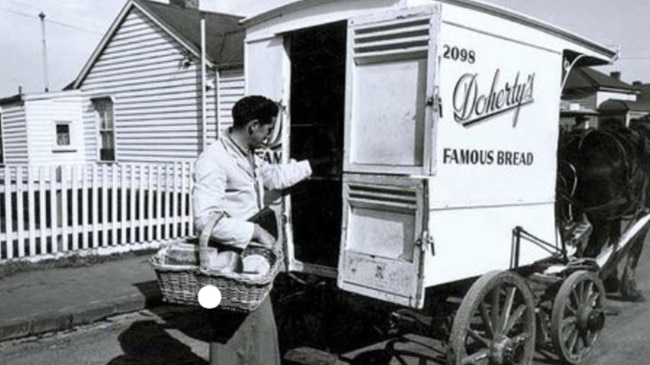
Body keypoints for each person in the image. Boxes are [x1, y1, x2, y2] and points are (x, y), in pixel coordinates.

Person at [192, 95, 313, 365]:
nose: (269, 137)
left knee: (256, 333)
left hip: (251, 262)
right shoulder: (213, 160)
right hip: (229, 261)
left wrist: (310, 165)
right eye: (268, 130)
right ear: (253, 126)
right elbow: (204, 220)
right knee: (236, 332)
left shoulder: (249, 155)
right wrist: (256, 232)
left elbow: (274, 177)